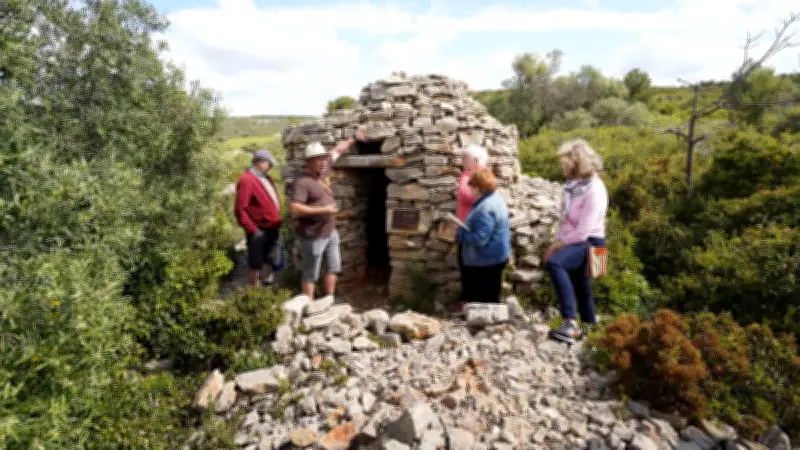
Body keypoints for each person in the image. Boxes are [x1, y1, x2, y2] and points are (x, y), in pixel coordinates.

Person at [288, 127, 365, 298]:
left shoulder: (323, 170)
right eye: (318, 159)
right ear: (309, 161)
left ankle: (329, 299)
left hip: (330, 233)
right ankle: (308, 306)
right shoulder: (302, 182)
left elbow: (338, 150)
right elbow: (294, 207)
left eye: (323, 158)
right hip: (312, 236)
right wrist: (324, 209)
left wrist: (353, 137)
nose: (323, 162)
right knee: (310, 274)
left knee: (333, 267)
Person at [544, 139, 608, 344]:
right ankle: (590, 329)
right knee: (582, 287)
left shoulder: (594, 190)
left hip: (590, 242)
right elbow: (565, 222)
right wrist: (558, 240)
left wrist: (556, 246)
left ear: (576, 163)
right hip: (579, 241)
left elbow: (582, 232)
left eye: (565, 161)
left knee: (556, 263)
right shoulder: (574, 186)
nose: (562, 165)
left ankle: (570, 323)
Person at [456, 167, 511, 304]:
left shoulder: (485, 207)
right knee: (491, 297)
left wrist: (461, 235)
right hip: (495, 256)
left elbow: (480, 238)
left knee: (485, 301)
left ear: (479, 187)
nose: (470, 189)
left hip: (486, 260)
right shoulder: (495, 198)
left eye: (472, 186)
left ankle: (486, 323)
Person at [234, 148, 283, 287]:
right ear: (260, 162)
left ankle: (266, 287)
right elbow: (240, 209)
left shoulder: (266, 178)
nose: (271, 166)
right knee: (255, 262)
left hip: (272, 227)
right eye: (269, 163)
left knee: (272, 259)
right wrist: (253, 230)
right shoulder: (247, 179)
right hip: (258, 229)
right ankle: (253, 293)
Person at [453, 145, 489, 312]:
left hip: (473, 230)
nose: (461, 162)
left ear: (474, 161)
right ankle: (470, 300)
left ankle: (471, 302)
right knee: (466, 264)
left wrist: (465, 176)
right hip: (467, 229)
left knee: (470, 265)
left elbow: (468, 196)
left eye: (465, 159)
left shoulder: (478, 176)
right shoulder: (474, 175)